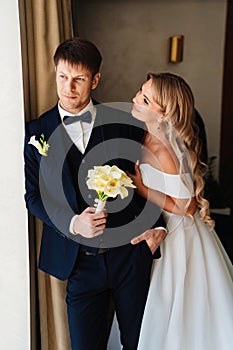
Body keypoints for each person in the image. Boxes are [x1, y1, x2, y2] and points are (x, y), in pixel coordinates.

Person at [23, 38, 167, 350]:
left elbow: (152, 178)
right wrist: (74, 222)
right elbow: (32, 196)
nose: (68, 88)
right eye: (62, 77)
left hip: (130, 256)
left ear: (96, 80)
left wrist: (158, 227)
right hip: (77, 263)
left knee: (140, 343)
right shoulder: (37, 132)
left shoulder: (125, 122)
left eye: (79, 79)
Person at [128, 72, 233, 350]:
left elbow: (189, 208)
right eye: (141, 91)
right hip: (158, 228)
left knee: (177, 313)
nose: (136, 98)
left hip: (178, 239)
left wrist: (143, 189)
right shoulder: (146, 135)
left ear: (163, 114)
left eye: (145, 99)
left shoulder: (167, 151)